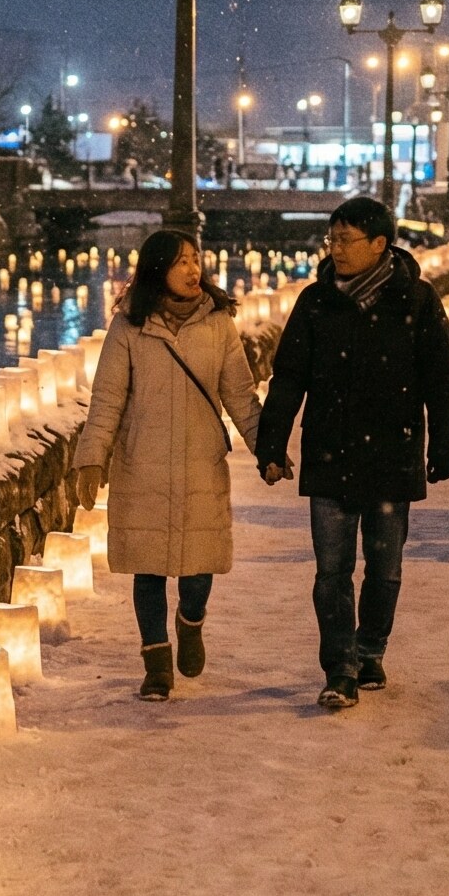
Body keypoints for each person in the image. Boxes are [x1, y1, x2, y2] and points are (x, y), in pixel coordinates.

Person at [253, 197, 449, 712]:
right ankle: (339, 667)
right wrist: (272, 445)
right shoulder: (315, 302)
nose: (336, 249)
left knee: (385, 569)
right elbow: (289, 379)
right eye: (332, 239)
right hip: (331, 452)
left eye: (346, 240)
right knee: (331, 571)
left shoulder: (416, 300)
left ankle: (371, 647)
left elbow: (443, 381)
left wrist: (444, 447)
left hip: (394, 453)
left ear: (379, 244)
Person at [70, 228, 263, 701]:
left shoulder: (218, 322)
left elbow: (239, 393)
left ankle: (191, 621)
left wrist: (268, 450)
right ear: (158, 269)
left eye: (196, 259)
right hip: (144, 462)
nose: (192, 269)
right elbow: (108, 398)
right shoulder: (130, 325)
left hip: (200, 461)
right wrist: (92, 459)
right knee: (149, 569)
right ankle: (156, 662)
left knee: (200, 569)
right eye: (180, 261)